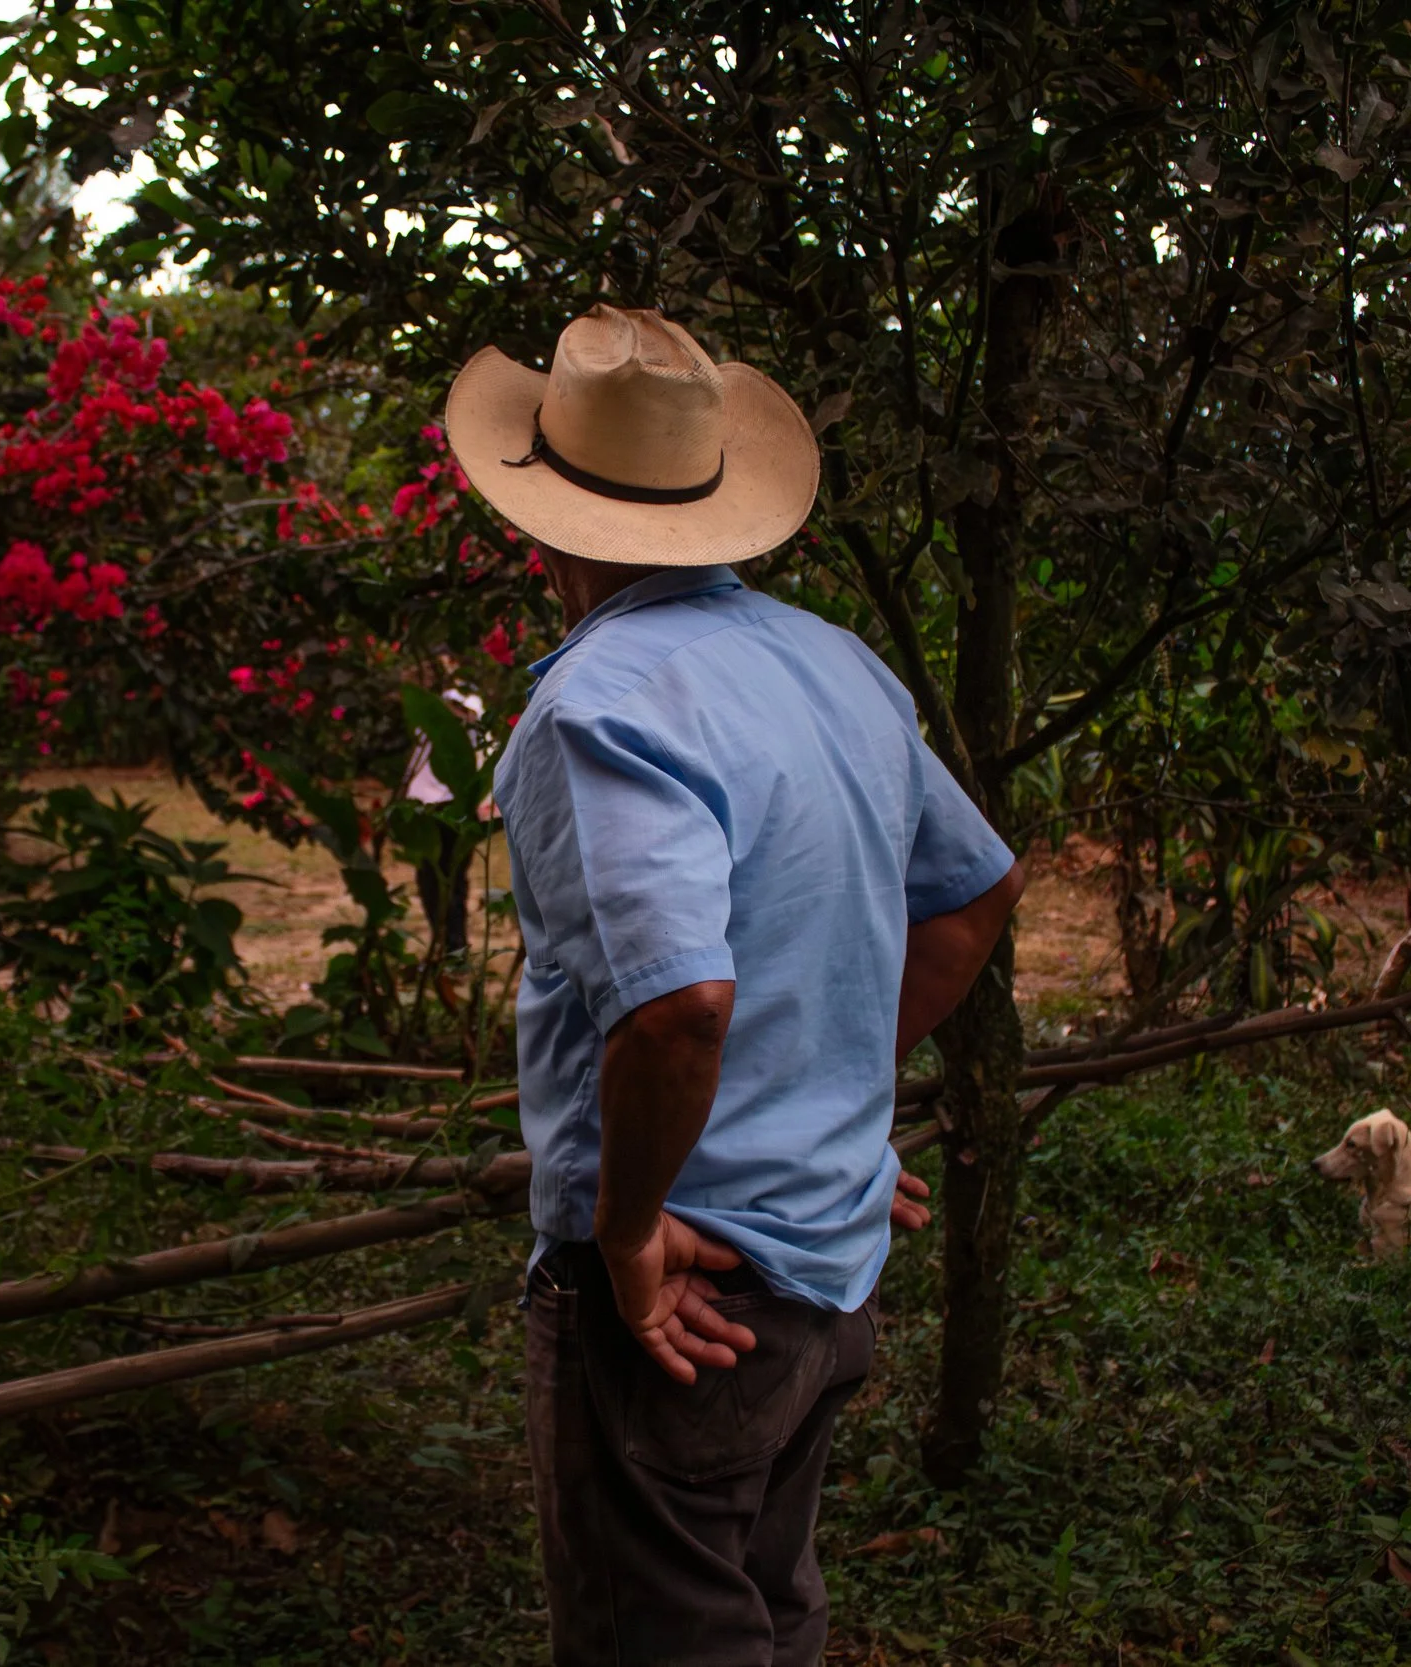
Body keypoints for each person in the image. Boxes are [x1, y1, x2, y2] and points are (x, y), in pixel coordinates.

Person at [444, 305, 1026, 1665]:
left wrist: (628, 1234)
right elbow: (975, 895)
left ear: (540, 521)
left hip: (692, 1287)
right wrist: (834, 1098)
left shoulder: (597, 707)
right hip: (826, 1265)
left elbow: (679, 1005)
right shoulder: (831, 662)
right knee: (767, 1602)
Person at [401, 682, 484, 954]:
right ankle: (442, 942)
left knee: (454, 878)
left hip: (456, 803)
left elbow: (475, 723)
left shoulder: (469, 703)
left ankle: (455, 945)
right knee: (429, 877)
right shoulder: (422, 707)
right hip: (424, 805)